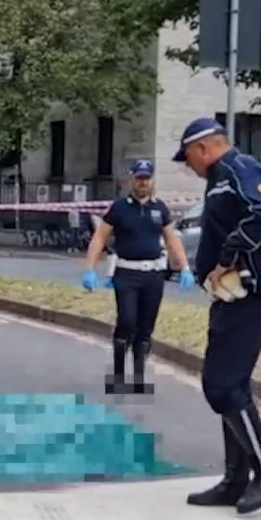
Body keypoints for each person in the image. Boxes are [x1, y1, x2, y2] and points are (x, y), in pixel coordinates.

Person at [172, 116, 261, 515]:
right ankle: (235, 480)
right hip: (231, 294)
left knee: (222, 386)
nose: (187, 165)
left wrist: (229, 257)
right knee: (231, 386)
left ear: (203, 147)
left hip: (252, 290)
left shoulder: (241, 167)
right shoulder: (219, 177)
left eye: (187, 157)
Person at [79, 160, 195, 394]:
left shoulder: (159, 208)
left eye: (147, 178)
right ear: (131, 179)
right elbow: (100, 237)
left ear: (152, 180)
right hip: (127, 273)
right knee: (127, 321)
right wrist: (90, 268)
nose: (143, 182)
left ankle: (139, 376)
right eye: (139, 178)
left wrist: (185, 268)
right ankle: (119, 376)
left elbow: (172, 239)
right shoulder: (119, 208)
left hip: (153, 274)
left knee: (145, 327)